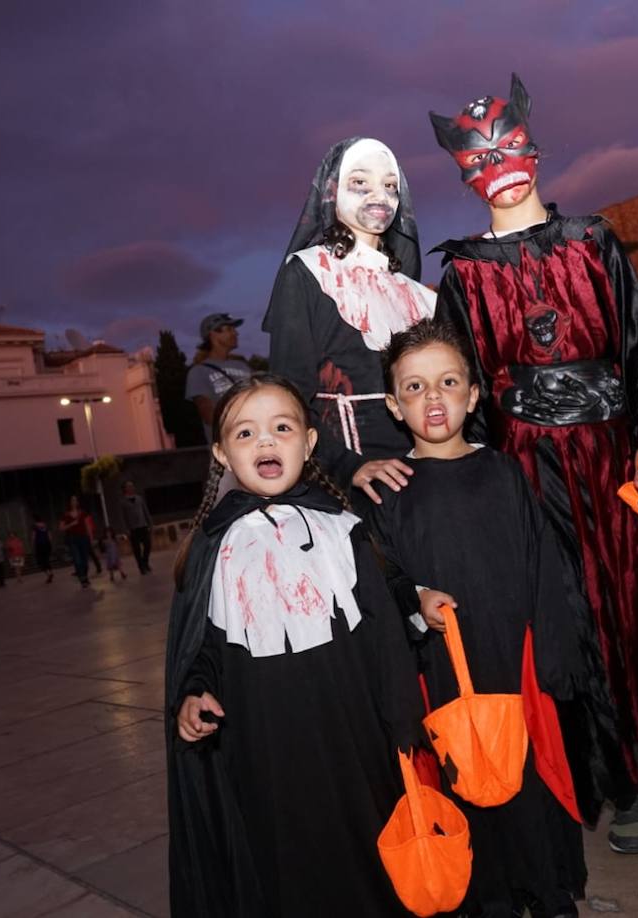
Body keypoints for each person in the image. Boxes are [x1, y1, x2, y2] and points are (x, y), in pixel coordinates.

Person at [429, 74, 638, 852]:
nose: (501, 163)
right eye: (481, 155)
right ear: (463, 170)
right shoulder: (463, 274)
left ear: (534, 144)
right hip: (527, 471)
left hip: (611, 463)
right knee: (558, 621)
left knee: (633, 607)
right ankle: (595, 780)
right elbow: (456, 382)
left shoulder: (594, 240)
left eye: (511, 143)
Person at [164, 373, 422, 917]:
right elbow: (203, 648)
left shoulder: (343, 530)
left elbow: (384, 637)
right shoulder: (212, 546)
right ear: (220, 454)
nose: (265, 442)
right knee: (287, 868)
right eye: (245, 433)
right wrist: (193, 694)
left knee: (370, 854)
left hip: (353, 738)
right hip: (264, 751)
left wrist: (402, 726)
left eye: (281, 428)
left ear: (307, 443)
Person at [371, 319, 586, 916]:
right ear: (393, 405)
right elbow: (382, 583)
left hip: (514, 665)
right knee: (463, 782)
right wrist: (416, 601)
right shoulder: (389, 493)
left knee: (528, 778)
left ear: (471, 394)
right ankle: (484, 898)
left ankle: (547, 892)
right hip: (442, 671)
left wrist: (554, 653)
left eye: (446, 382)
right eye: (413, 388)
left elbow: (542, 562)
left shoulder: (504, 472)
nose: (432, 398)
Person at [263, 137, 436, 500]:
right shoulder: (306, 273)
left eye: (390, 186)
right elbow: (288, 396)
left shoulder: (418, 295)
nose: (380, 195)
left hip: (421, 466)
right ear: (332, 193)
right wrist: (348, 467)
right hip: (350, 478)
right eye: (361, 182)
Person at [184, 313, 254, 443]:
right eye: (229, 329)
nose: (235, 333)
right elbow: (209, 415)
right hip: (229, 448)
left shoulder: (243, 366)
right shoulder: (198, 372)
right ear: (213, 335)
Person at [59, 496, 96, 588]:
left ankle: (85, 576)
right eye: (72, 500)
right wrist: (71, 524)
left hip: (83, 538)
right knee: (77, 560)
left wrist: (91, 539)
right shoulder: (66, 514)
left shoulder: (83, 513)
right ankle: (82, 579)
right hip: (72, 539)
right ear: (70, 503)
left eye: (75, 500)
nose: (74, 502)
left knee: (85, 560)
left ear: (78, 502)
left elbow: (88, 526)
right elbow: (61, 528)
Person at [119, 481, 153, 574]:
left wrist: (150, 523)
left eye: (132, 486)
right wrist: (126, 529)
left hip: (143, 525)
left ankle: (145, 562)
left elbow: (145, 511)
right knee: (137, 549)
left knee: (148, 545)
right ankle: (141, 567)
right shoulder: (123, 502)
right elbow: (122, 517)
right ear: (125, 489)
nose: (131, 487)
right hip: (133, 528)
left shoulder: (139, 498)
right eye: (129, 486)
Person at [33, 515, 54, 584]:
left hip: (39, 545)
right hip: (47, 544)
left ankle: (48, 574)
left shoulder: (35, 526)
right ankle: (51, 572)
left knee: (40, 561)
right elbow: (49, 535)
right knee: (46, 559)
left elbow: (33, 536)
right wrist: (50, 544)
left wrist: (33, 545)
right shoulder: (45, 526)